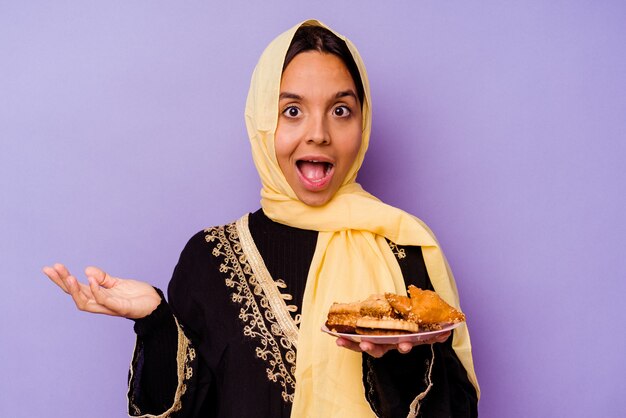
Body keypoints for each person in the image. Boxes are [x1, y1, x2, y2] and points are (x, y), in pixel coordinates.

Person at [43, 20, 479, 418]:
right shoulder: (209, 259)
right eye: (292, 110)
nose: (318, 132)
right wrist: (156, 321)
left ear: (363, 124)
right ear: (261, 122)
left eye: (341, 110)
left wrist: (403, 362)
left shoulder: (404, 246)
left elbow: (460, 410)